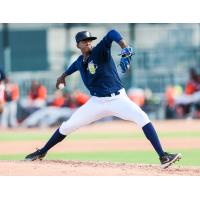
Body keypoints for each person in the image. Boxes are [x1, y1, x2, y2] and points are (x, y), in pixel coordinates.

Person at [25, 29, 181, 169]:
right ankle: (42, 151)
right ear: (78, 45)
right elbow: (74, 66)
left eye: (89, 40)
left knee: (143, 118)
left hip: (118, 99)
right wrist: (62, 76)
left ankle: (163, 156)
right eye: (84, 41)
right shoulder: (80, 61)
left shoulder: (99, 51)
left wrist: (124, 46)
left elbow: (112, 33)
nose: (88, 43)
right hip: (97, 102)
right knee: (67, 126)